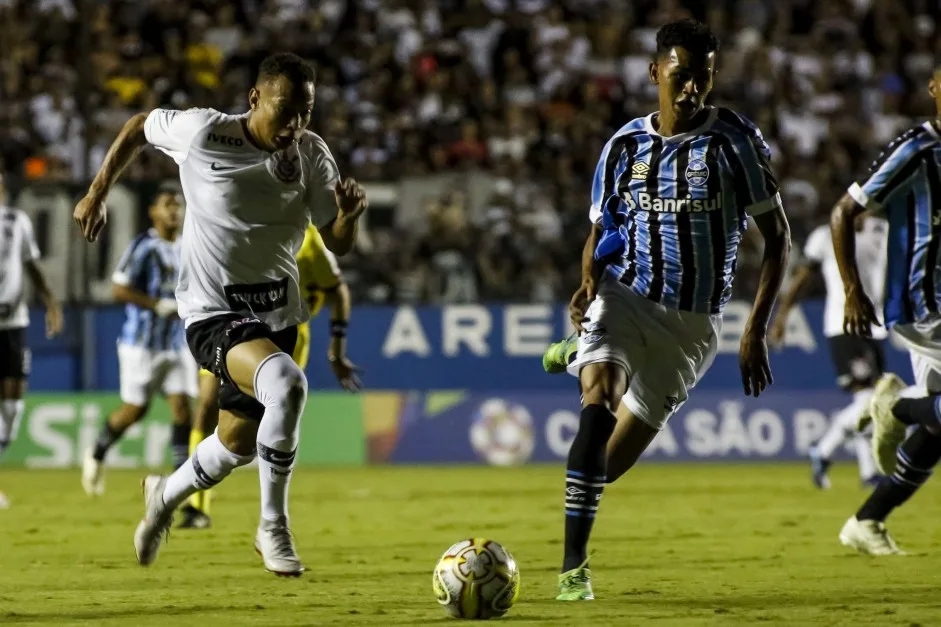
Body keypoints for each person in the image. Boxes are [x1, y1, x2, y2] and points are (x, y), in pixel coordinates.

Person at [72, 52, 368, 576]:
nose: (295, 124)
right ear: (255, 99)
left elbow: (337, 245)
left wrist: (346, 218)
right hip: (213, 312)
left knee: (234, 447)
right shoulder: (205, 132)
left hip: (277, 315)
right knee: (288, 385)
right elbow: (140, 126)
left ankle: (164, 496)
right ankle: (272, 527)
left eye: (306, 112)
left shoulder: (312, 155)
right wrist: (97, 192)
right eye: (285, 109)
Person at [541, 19, 791, 600]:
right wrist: (585, 282)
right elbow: (602, 231)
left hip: (694, 327)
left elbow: (777, 238)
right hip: (625, 296)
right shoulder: (624, 146)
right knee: (597, 401)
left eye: (702, 78)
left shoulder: (735, 141)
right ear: (655, 72)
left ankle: (580, 352)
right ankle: (573, 568)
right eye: (680, 76)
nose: (690, 90)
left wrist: (755, 331)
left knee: (604, 468)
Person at [182, 222, 361, 530]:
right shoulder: (233, 220)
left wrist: (337, 350)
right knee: (206, 406)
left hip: (283, 335)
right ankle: (197, 506)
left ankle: (272, 514)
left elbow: (338, 291)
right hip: (231, 326)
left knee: (251, 427)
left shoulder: (308, 240)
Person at [832, 62, 941, 556]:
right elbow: (844, 211)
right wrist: (853, 290)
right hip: (923, 304)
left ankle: (867, 519)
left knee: (938, 428)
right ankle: (896, 407)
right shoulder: (916, 150)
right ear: (935, 88)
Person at [81, 186, 199, 501]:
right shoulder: (144, 246)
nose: (174, 210)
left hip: (176, 342)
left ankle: (180, 481)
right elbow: (119, 289)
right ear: (153, 212)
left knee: (182, 409)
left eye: (178, 205)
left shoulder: (188, 245)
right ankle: (97, 450)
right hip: (141, 344)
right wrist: (156, 305)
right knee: (136, 410)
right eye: (167, 204)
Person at [769, 217, 887, 489]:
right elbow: (803, 277)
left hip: (875, 327)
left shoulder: (882, 229)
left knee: (871, 402)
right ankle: (842, 459)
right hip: (843, 326)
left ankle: (831, 456)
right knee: (867, 399)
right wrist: (782, 316)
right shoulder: (826, 234)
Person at [0, 172, 63, 508]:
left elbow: (31, 264)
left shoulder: (16, 220)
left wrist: (51, 302)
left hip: (14, 322)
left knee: (13, 403)